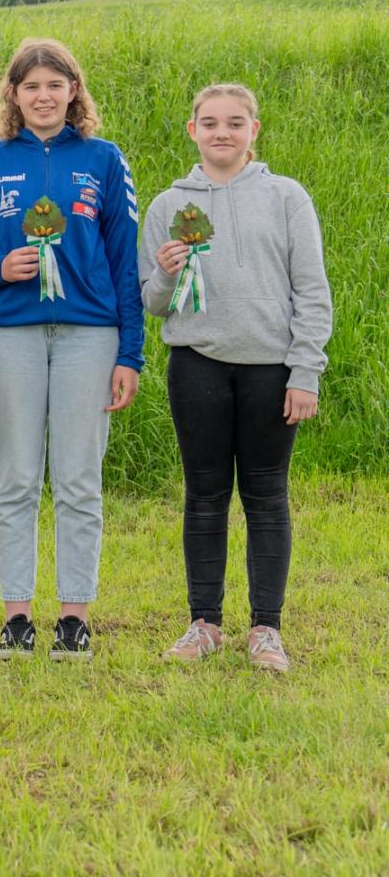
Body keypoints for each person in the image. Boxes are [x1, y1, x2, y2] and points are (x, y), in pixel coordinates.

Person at [0, 38, 143, 662]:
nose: (43, 97)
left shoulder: (103, 159)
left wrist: (130, 353)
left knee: (77, 479)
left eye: (55, 85)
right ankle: (17, 618)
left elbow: (124, 260)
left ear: (73, 92)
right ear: (13, 94)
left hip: (90, 335)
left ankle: (73, 618)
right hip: (10, 334)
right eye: (31, 86)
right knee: (16, 477)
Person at [143, 83, 331, 673]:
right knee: (204, 496)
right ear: (192, 130)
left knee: (267, 496)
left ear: (254, 130)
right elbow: (152, 301)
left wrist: (305, 370)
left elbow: (312, 291)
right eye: (209, 123)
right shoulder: (168, 205)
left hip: (271, 368)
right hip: (197, 363)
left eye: (234, 122)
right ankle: (204, 624)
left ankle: (266, 629)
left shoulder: (286, 197)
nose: (221, 132)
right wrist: (167, 273)